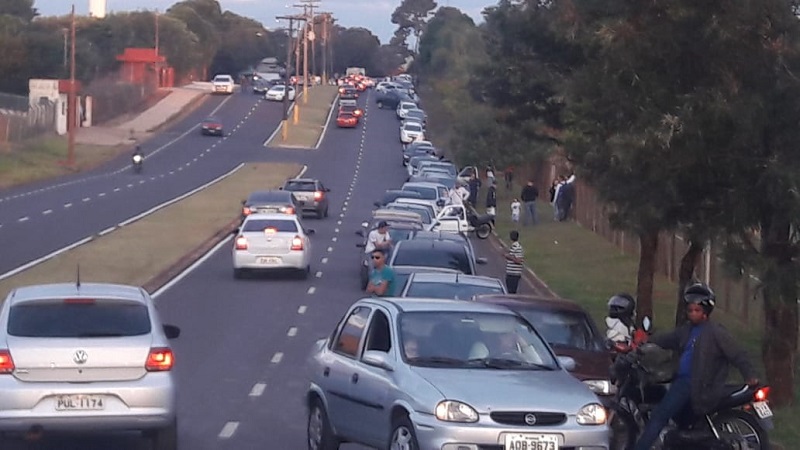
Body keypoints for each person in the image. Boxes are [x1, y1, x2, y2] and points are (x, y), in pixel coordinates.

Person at [631, 283, 759, 450]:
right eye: (690, 310)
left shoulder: (716, 332)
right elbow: (668, 339)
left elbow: (738, 354)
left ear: (706, 312)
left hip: (694, 384)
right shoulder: (687, 330)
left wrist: (750, 375)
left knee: (659, 416)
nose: (692, 314)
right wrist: (646, 340)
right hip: (682, 381)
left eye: (697, 310)